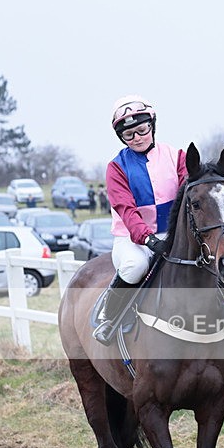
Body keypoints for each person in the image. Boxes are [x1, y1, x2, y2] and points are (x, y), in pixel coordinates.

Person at [92, 95, 187, 346]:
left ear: (152, 126)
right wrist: (147, 238)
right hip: (132, 239)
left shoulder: (176, 155)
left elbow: (189, 192)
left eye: (142, 130)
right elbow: (126, 209)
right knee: (135, 266)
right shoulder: (116, 168)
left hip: (171, 233)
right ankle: (109, 316)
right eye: (129, 135)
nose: (137, 138)